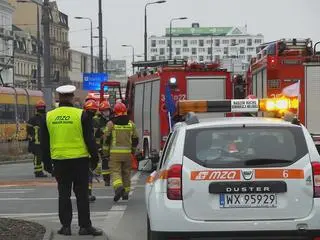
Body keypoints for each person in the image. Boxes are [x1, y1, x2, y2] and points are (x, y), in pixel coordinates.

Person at [40, 85, 103, 236]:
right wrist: (94, 159)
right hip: (80, 161)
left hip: (60, 161)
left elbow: (44, 143)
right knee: (82, 195)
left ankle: (66, 227)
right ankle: (84, 226)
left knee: (64, 194)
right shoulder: (82, 115)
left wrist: (47, 164)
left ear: (59, 97)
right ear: (73, 97)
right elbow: (89, 139)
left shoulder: (48, 116)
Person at [103, 102, 139, 202]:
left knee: (115, 172)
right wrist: (133, 151)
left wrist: (105, 153)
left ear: (115, 112)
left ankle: (118, 188)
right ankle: (126, 194)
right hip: (127, 154)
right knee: (126, 173)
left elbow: (106, 140)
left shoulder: (111, 124)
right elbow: (136, 139)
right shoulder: (131, 124)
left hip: (114, 154)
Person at [83, 99, 99, 202]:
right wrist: (95, 155)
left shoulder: (81, 119)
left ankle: (85, 194)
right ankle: (87, 194)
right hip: (85, 153)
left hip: (79, 153)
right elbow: (90, 139)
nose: (92, 113)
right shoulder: (91, 122)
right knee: (87, 175)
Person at [27, 100, 48, 178]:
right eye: (40, 107)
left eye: (42, 107)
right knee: (38, 157)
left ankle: (50, 169)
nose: (41, 108)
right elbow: (28, 131)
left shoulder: (47, 117)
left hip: (44, 142)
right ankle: (38, 171)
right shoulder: (33, 119)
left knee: (46, 156)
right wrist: (31, 139)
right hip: (36, 142)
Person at [93, 100, 112, 186]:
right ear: (101, 112)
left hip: (113, 145)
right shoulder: (98, 122)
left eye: (107, 110)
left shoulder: (112, 120)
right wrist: (99, 148)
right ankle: (106, 180)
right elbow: (96, 137)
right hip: (103, 145)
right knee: (105, 162)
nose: (106, 112)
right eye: (104, 110)